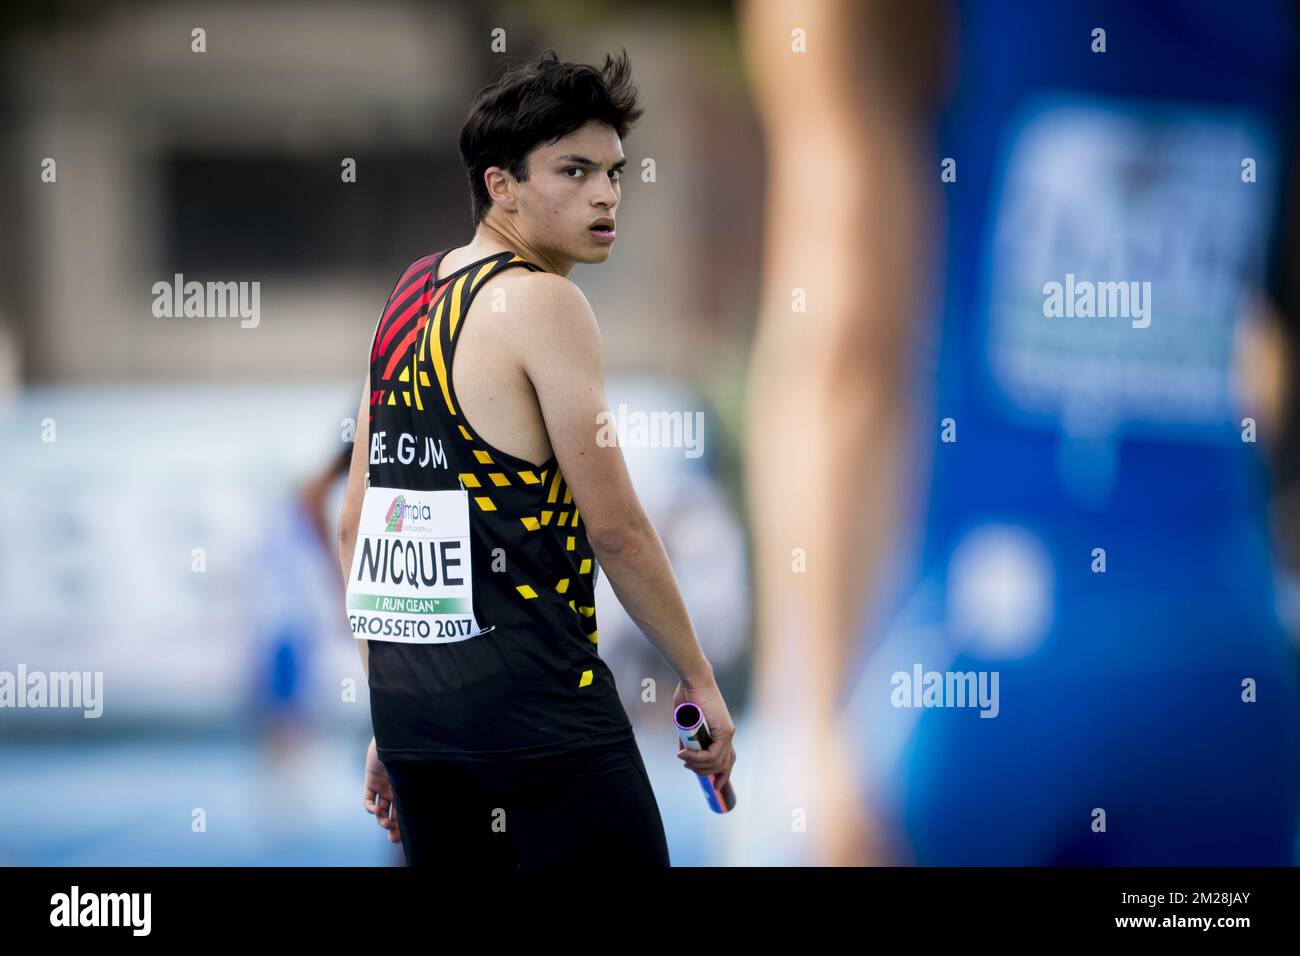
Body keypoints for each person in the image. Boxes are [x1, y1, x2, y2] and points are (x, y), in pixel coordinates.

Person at [740, 0, 1300, 865]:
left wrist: (805, 738)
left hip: (972, 667)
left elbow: (848, 341)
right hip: (1227, 656)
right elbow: (1257, 355)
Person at [337, 48, 735, 867]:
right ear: (501, 185)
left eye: (615, 174)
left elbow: (358, 529)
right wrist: (697, 677)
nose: (605, 195)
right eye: (574, 170)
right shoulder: (547, 301)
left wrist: (391, 713)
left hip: (419, 731)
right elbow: (616, 529)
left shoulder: (405, 299)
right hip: (544, 721)